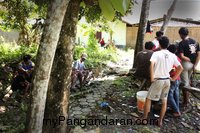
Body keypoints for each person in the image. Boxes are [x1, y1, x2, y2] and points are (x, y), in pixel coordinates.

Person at [143, 36, 183, 127]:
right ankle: (160, 121)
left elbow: (151, 65)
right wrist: (173, 79)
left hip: (158, 80)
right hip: (167, 81)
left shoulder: (156, 54)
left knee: (148, 99)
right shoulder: (172, 55)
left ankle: (144, 119)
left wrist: (152, 78)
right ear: (168, 45)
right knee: (164, 101)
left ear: (159, 44)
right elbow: (180, 68)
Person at [177, 27, 200, 107]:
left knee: (184, 84)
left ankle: (185, 102)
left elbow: (181, 56)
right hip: (193, 65)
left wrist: (188, 59)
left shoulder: (182, 43)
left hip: (185, 64)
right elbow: (198, 54)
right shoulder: (195, 42)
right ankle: (187, 99)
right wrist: (195, 65)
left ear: (181, 34)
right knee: (187, 81)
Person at [167, 45, 181, 117]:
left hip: (173, 79)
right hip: (178, 79)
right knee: (176, 94)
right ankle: (176, 109)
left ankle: (176, 111)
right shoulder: (177, 58)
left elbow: (173, 69)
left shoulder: (170, 58)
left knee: (169, 95)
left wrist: (171, 78)